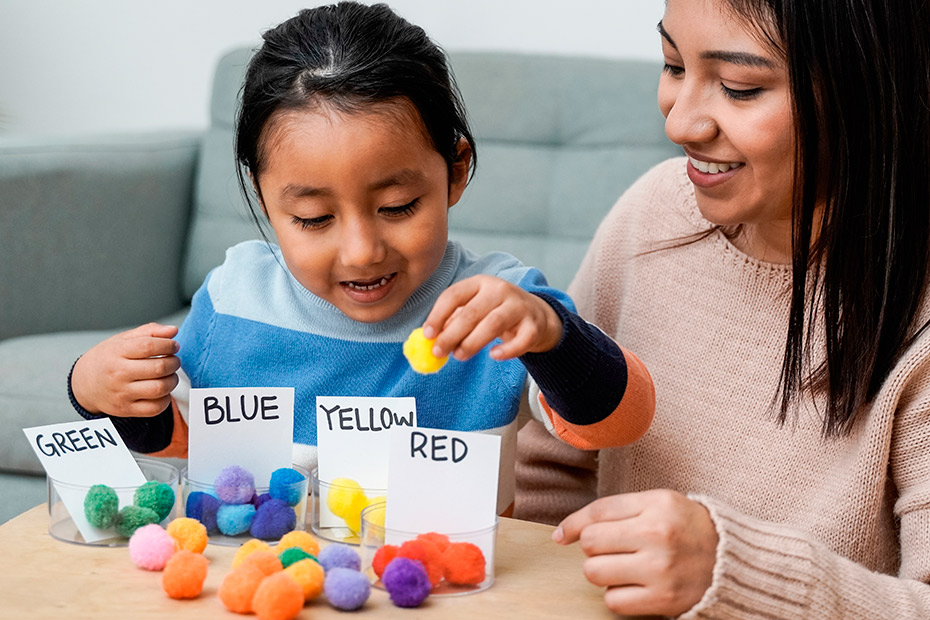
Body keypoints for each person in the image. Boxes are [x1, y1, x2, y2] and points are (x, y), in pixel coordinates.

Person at [66, 1, 656, 516]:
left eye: (398, 206)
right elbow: (176, 443)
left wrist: (550, 335)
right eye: (314, 219)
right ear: (266, 200)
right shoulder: (236, 296)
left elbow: (619, 424)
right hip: (268, 583)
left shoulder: (498, 307)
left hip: (440, 587)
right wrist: (97, 392)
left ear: (455, 170)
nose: (362, 252)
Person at [515, 0, 930, 616]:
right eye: (673, 65)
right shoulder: (652, 211)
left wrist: (736, 573)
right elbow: (552, 472)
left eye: (739, 88)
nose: (680, 124)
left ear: (868, 91)